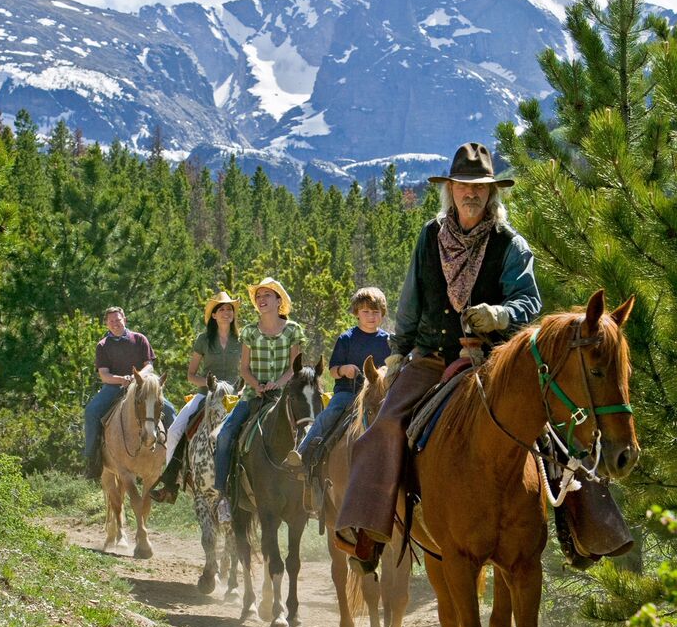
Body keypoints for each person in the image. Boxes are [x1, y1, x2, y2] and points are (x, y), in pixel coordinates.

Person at [335, 142, 542, 565]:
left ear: (492, 193)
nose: (472, 194)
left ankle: (582, 527)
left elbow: (529, 302)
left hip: (492, 360)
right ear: (450, 189)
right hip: (431, 357)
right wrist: (399, 352)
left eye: (481, 187)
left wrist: (500, 314)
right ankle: (370, 530)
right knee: (385, 425)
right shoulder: (430, 236)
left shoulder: (510, 244)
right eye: (464, 185)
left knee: (555, 430)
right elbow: (410, 303)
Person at [213, 278, 305, 522]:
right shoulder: (250, 332)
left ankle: (313, 493)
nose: (261, 300)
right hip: (254, 396)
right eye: (258, 297)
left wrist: (280, 383)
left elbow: (296, 367)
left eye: (267, 295)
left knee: (311, 431)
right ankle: (222, 495)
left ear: (278, 301)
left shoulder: (294, 330)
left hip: (285, 396)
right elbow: (244, 368)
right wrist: (258, 385)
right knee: (224, 435)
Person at [150, 291, 242, 504]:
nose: (226, 312)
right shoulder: (203, 340)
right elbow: (191, 375)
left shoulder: (243, 339)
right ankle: (170, 483)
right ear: (214, 315)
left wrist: (238, 388)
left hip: (235, 395)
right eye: (222, 309)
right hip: (206, 394)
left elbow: (248, 369)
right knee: (174, 431)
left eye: (230, 309)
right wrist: (213, 385)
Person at [286, 286, 390, 473]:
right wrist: (344, 369)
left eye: (375, 312)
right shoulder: (347, 338)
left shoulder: (388, 341)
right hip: (348, 392)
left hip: (377, 394)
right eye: (365, 311)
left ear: (382, 313)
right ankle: (301, 454)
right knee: (329, 414)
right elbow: (333, 370)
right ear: (357, 313)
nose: (371, 316)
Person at [84, 306, 176, 479]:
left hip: (142, 386)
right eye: (111, 321)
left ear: (124, 320)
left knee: (170, 410)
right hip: (114, 387)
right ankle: (92, 459)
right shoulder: (102, 345)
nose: (115, 324)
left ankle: (175, 459)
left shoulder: (139, 339)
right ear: (106, 324)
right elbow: (104, 375)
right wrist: (122, 379)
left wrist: (137, 377)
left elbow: (149, 365)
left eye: (118, 320)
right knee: (91, 412)